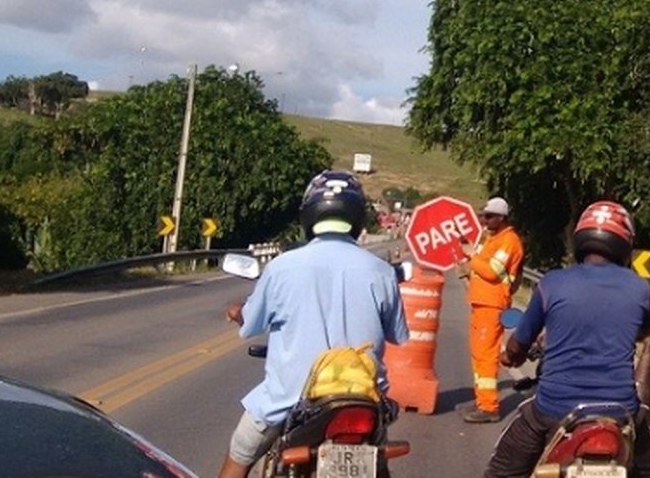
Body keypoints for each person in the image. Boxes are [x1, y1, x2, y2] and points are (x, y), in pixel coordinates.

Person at [217, 170, 409, 478]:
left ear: (309, 214)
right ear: (358, 219)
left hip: (290, 401)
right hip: (363, 399)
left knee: (238, 456)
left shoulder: (282, 267)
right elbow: (397, 335)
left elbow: (250, 324)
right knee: (379, 464)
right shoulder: (382, 271)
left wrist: (238, 311)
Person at [484, 200, 650, 478]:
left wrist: (511, 356)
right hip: (621, 410)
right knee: (647, 471)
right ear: (625, 243)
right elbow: (644, 331)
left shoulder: (552, 283)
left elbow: (520, 341)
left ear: (580, 237)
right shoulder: (641, 289)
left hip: (554, 407)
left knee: (501, 471)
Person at [455, 196, 525, 423]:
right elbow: (479, 264)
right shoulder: (490, 238)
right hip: (480, 302)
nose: (484, 220)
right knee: (478, 355)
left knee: (486, 356)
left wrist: (471, 255)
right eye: (484, 216)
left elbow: (493, 271)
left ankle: (489, 407)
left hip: (492, 304)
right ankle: (482, 401)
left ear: (501, 218)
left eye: (489, 216)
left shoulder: (509, 241)